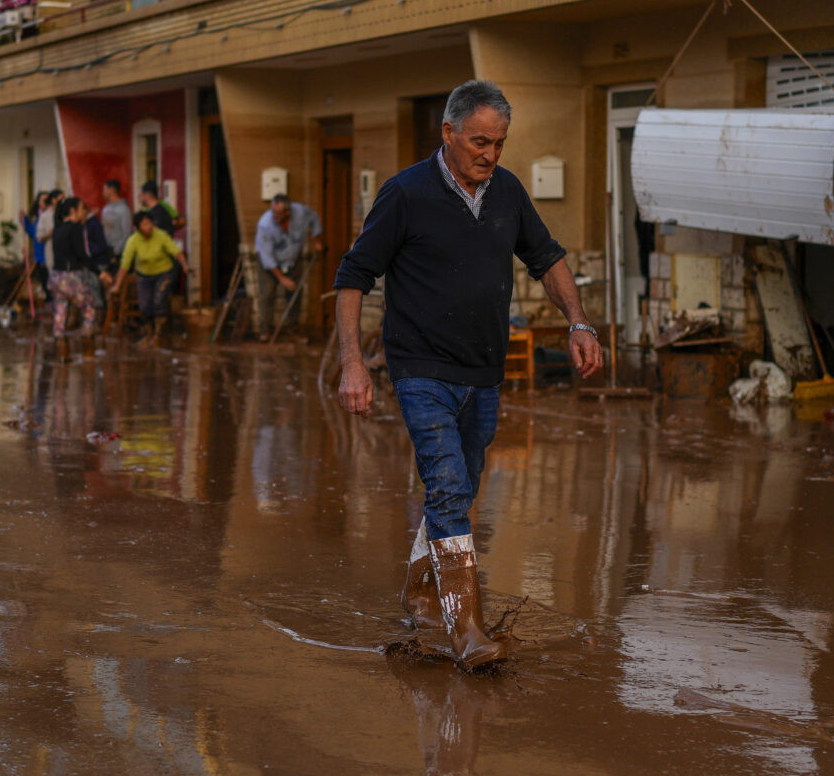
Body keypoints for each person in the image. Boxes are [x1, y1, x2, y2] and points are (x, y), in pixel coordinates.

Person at [333, 79, 602, 670]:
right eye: (480, 141)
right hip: (420, 368)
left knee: (461, 484)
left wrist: (580, 323)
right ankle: (466, 629)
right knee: (450, 484)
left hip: (483, 371)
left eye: (499, 143)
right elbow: (353, 277)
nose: (490, 154)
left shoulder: (506, 191)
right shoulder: (405, 194)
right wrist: (354, 364)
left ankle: (421, 593)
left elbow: (547, 257)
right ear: (448, 133)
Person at [254, 191, 323, 334]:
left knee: (295, 292)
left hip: (292, 259)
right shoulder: (265, 225)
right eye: (273, 212)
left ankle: (293, 327)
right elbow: (267, 257)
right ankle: (265, 329)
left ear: (288, 212)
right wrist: (282, 278)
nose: (275, 217)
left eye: (279, 214)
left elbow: (314, 218)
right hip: (270, 264)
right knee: (267, 294)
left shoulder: (301, 212)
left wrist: (317, 240)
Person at [117, 210, 186, 341]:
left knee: (159, 301)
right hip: (144, 275)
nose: (149, 226)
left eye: (150, 223)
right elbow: (125, 264)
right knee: (144, 305)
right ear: (138, 228)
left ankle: (158, 335)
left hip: (163, 273)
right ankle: (149, 332)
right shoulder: (133, 240)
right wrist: (117, 285)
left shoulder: (161, 235)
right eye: (144, 224)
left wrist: (185, 265)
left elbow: (176, 252)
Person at [48, 195, 106, 338]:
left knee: (60, 313)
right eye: (82, 209)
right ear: (73, 211)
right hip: (71, 278)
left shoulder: (57, 229)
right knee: (88, 308)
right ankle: (88, 344)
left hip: (55, 277)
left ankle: (60, 346)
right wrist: (100, 273)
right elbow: (82, 256)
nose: (85, 212)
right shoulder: (76, 228)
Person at [98, 180, 133, 263]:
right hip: (107, 250)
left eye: (105, 189)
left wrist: (117, 252)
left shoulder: (124, 209)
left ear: (112, 190)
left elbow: (127, 233)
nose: (103, 192)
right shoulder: (105, 209)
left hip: (119, 252)